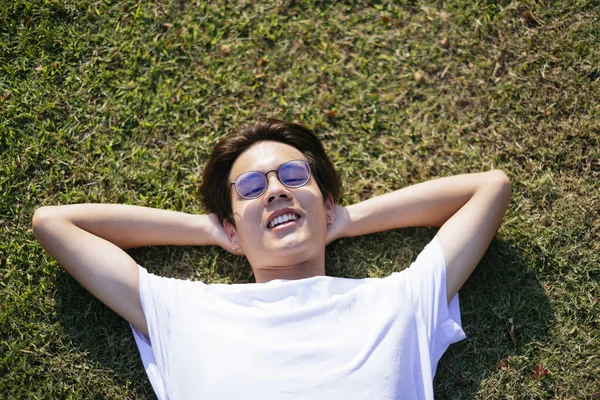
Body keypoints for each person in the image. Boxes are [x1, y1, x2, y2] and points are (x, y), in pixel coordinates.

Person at [32, 118, 511, 399]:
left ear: (324, 201)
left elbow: (490, 189)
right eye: (252, 188)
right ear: (231, 227)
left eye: (293, 176)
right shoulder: (187, 311)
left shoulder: (399, 300)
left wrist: (340, 218)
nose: (277, 190)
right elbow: (55, 224)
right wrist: (215, 230)